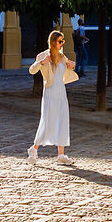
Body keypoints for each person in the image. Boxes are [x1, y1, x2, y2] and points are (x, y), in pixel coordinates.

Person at [26, 29, 78, 164]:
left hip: (61, 93)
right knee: (48, 121)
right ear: (53, 41)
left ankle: (61, 154)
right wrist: (41, 62)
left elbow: (67, 69)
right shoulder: (44, 55)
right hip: (50, 93)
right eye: (60, 41)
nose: (62, 44)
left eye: (63, 41)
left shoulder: (62, 57)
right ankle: (34, 148)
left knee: (62, 121)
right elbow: (32, 70)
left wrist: (72, 65)